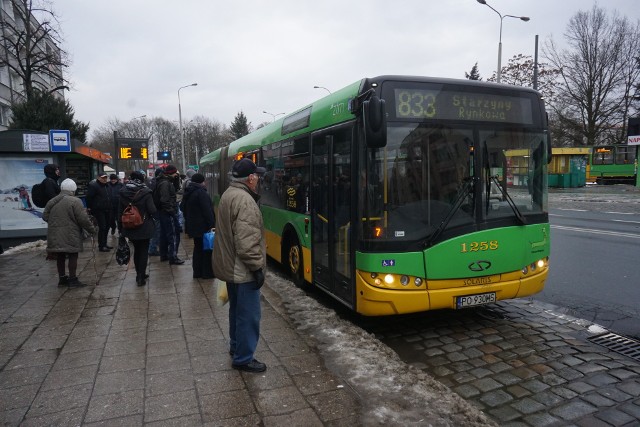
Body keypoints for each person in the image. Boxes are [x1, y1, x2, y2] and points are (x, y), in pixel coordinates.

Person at [213, 158, 267, 373]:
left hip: (229, 266)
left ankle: (236, 347)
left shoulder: (229, 193)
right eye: (257, 176)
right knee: (249, 315)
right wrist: (256, 268)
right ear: (251, 178)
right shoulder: (245, 200)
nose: (259, 179)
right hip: (242, 269)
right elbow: (246, 243)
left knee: (236, 310)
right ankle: (244, 358)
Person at [42, 178, 96, 287]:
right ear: (73, 189)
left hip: (55, 233)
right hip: (71, 232)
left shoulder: (53, 201)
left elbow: (45, 216)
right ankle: (72, 279)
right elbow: (83, 219)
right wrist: (92, 230)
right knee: (72, 254)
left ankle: (62, 279)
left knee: (60, 256)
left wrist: (56, 222)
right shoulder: (75, 201)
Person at [119, 170, 157, 286]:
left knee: (136, 250)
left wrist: (120, 228)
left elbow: (119, 212)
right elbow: (152, 210)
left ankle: (138, 274)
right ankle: (141, 275)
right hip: (144, 226)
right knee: (143, 250)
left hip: (129, 226)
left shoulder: (123, 192)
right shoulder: (146, 192)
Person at [180, 173, 215, 279]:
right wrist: (212, 224)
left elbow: (182, 208)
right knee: (206, 250)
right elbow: (207, 211)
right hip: (203, 226)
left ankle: (197, 272)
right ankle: (207, 273)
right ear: (201, 181)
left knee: (198, 249)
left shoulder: (188, 191)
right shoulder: (201, 192)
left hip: (193, 226)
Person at [155, 164, 184, 264]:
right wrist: (172, 211)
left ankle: (164, 254)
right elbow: (165, 199)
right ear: (172, 173)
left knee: (164, 234)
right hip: (167, 212)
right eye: (176, 172)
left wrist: (176, 180)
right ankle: (173, 256)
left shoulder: (164, 181)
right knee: (174, 234)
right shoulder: (165, 184)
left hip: (163, 212)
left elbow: (175, 189)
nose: (177, 174)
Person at [86, 173, 112, 252]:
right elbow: (89, 197)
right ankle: (101, 245)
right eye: (103, 177)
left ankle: (105, 243)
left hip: (108, 209)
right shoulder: (94, 186)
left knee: (107, 226)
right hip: (99, 210)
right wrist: (90, 207)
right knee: (103, 227)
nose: (104, 179)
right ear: (98, 178)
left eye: (105, 177)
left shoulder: (107, 186)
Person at [42, 163, 61, 260]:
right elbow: (52, 197)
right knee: (54, 232)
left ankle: (56, 251)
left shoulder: (53, 181)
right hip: (53, 211)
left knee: (57, 231)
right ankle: (53, 253)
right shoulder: (49, 181)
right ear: (52, 171)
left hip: (55, 210)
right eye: (57, 170)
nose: (58, 171)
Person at [148, 168, 163, 256]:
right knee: (157, 230)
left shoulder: (151, 183)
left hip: (153, 210)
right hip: (157, 210)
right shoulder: (156, 184)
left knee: (156, 229)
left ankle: (153, 247)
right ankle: (152, 248)